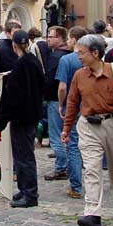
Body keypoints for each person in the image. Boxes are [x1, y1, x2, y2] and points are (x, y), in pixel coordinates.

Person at [61, 34, 113, 226]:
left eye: (81, 53)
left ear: (95, 53)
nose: (78, 56)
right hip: (88, 126)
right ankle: (92, 213)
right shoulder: (79, 76)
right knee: (91, 169)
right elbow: (72, 102)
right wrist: (66, 128)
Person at [0, 30, 45, 208]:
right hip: (29, 115)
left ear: (14, 45)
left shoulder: (24, 64)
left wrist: (4, 116)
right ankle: (24, 189)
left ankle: (30, 194)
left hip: (22, 117)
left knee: (24, 156)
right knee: (23, 155)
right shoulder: (32, 61)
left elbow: (15, 95)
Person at [56, 26, 88, 199]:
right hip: (89, 106)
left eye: (69, 39)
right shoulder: (91, 58)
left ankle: (76, 186)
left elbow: (62, 87)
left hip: (73, 106)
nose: (67, 42)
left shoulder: (66, 60)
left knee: (73, 145)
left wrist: (61, 105)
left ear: (75, 39)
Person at [43, 26, 71, 182]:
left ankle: (61, 167)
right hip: (70, 101)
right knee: (69, 135)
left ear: (60, 38)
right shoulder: (71, 55)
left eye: (51, 36)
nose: (48, 38)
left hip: (56, 99)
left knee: (56, 135)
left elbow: (53, 82)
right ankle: (68, 165)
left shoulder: (56, 57)